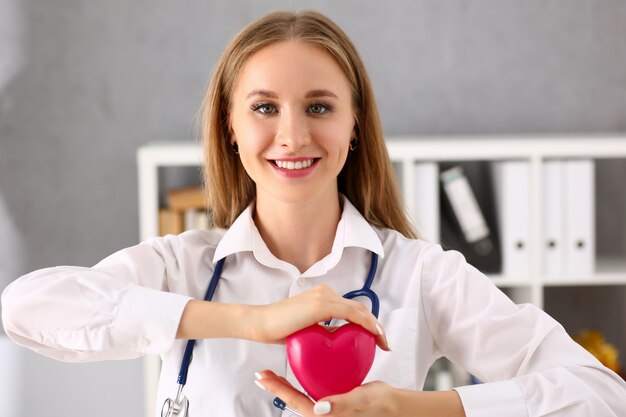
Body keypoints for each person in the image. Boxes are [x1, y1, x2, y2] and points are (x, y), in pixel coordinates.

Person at [2, 10, 625, 417]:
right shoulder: (180, 266)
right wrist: (252, 321)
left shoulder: (421, 274)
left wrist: (410, 409)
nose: (293, 136)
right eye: (265, 108)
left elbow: (600, 394)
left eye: (320, 107)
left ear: (355, 127)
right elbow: (24, 310)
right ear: (232, 127)